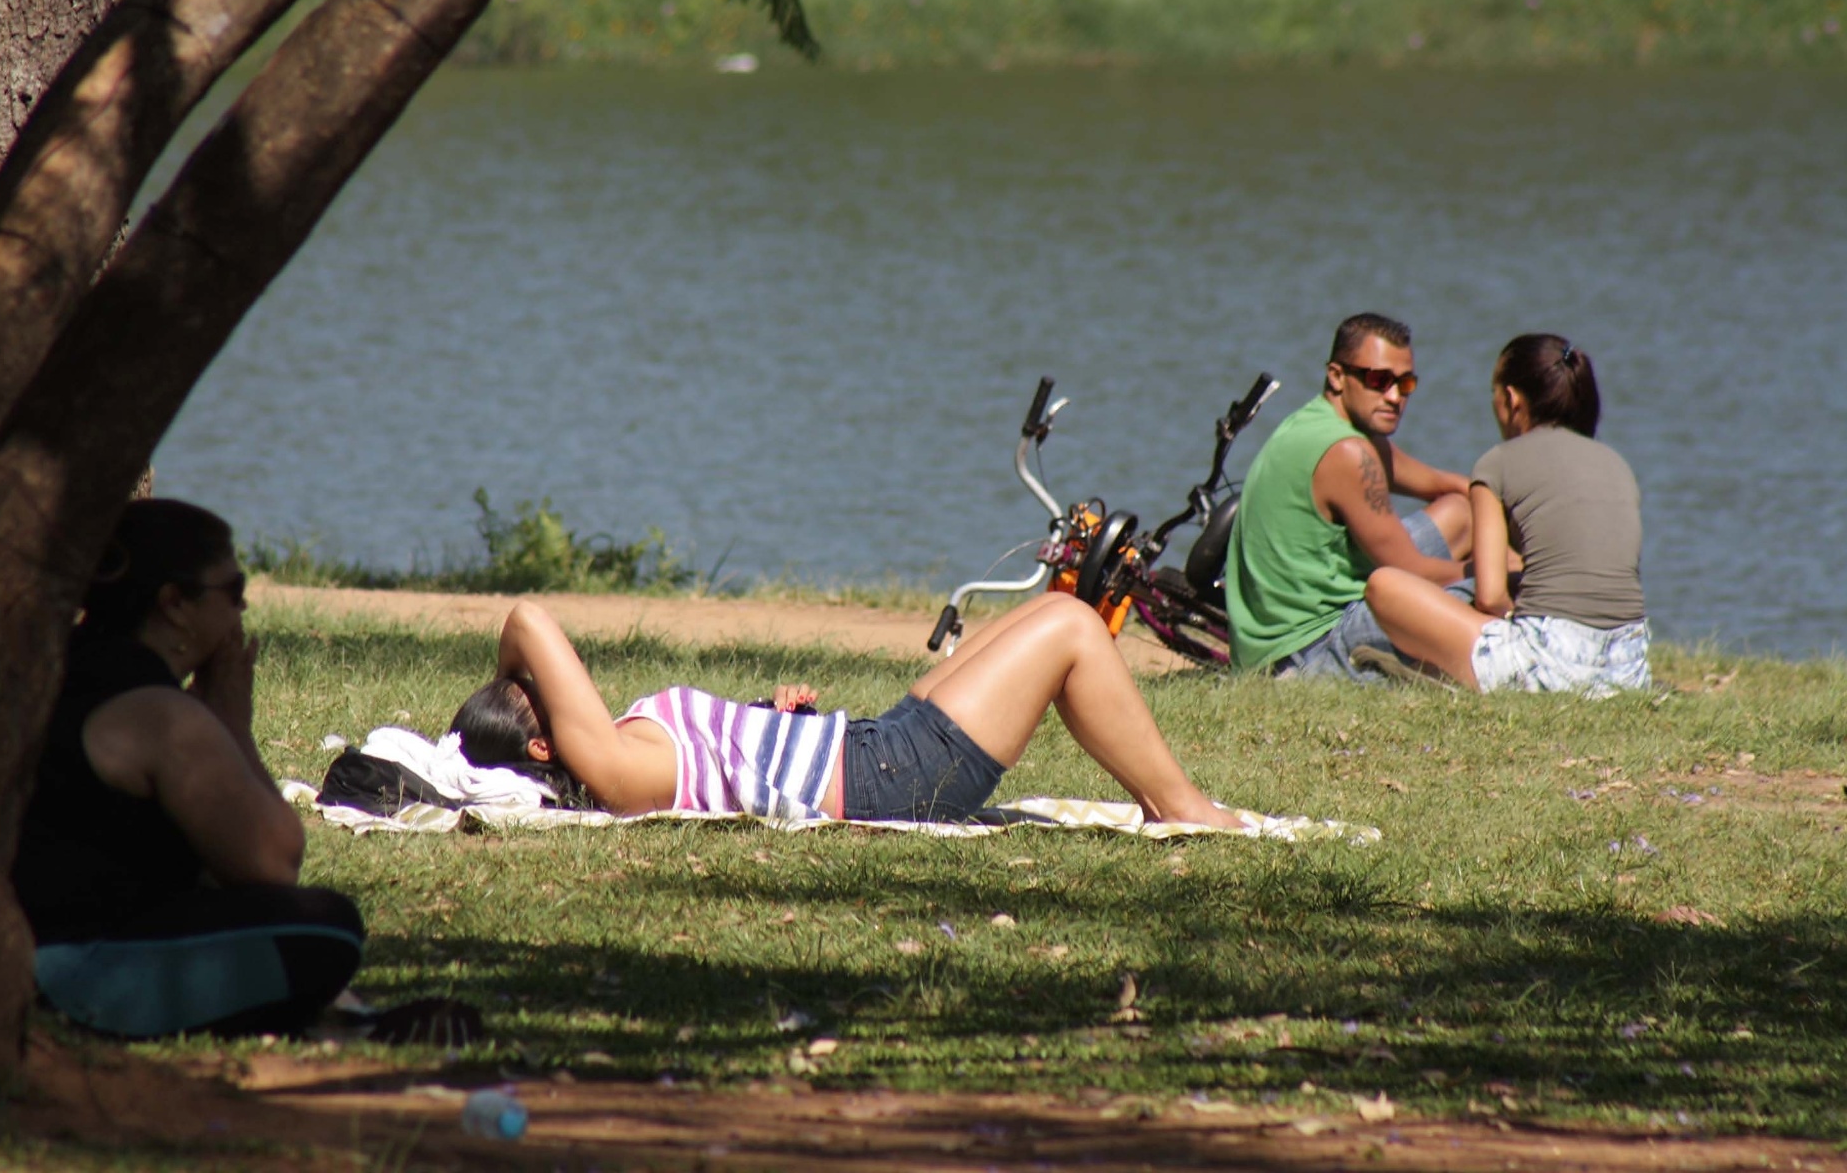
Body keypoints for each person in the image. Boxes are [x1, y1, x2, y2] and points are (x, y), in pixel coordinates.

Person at [12, 499, 364, 1038]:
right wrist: (232, 725)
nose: (241, 613)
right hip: (70, 972)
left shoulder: (50, 668)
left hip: (23, 938)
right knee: (328, 929)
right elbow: (272, 863)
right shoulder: (159, 713)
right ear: (175, 603)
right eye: (234, 593)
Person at [449, 594, 1250, 829]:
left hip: (875, 744)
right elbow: (526, 619)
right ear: (550, 749)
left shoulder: (613, 747)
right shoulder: (613, 769)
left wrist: (766, 715)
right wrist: (498, 695)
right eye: (535, 699)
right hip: (891, 778)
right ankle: (1180, 809)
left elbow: (721, 764)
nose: (549, 683)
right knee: (1075, 629)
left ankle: (1168, 802)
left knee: (1050, 606)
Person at [1363, 334, 1649, 693]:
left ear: (1511, 400)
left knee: (1384, 585)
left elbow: (1491, 597)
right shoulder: (1616, 464)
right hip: (1630, 669)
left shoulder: (1497, 464)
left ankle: (1437, 673)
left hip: (1551, 669)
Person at [1225, 313, 1475, 681]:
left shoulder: (1324, 421)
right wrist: (1513, 577)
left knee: (1463, 513)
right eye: (1379, 380)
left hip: (1292, 637)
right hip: (1306, 653)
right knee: (1482, 592)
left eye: (1405, 384)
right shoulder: (1347, 452)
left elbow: (1448, 486)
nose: (1394, 397)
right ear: (1337, 376)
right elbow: (1414, 572)